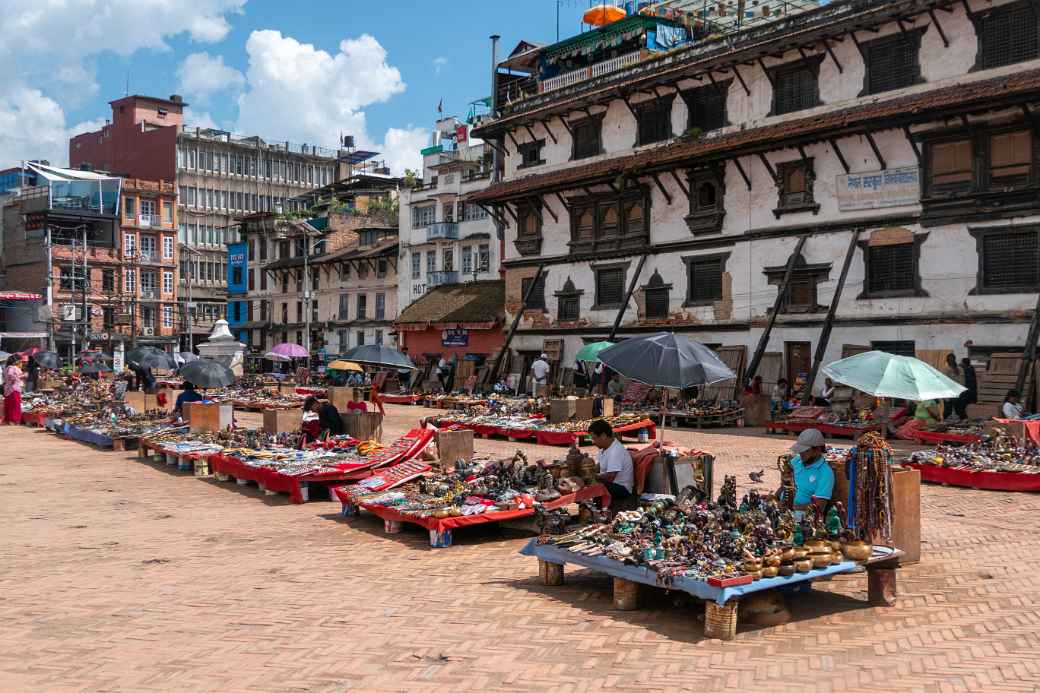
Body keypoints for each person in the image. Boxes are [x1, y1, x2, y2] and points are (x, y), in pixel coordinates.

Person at [786, 428, 834, 518]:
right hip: (785, 508)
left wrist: (792, 507)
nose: (801, 453)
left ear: (818, 450)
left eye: (806, 451)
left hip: (801, 514)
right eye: (800, 450)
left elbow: (819, 506)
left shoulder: (825, 473)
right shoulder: (796, 461)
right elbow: (785, 484)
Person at [589, 419, 633, 506]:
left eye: (594, 438)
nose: (593, 442)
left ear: (603, 436)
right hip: (611, 484)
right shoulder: (604, 448)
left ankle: (597, 511)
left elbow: (610, 477)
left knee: (594, 487)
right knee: (588, 484)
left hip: (622, 488)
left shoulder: (615, 450)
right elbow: (598, 467)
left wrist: (592, 476)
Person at [4, 355, 25, 424]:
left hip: (9, 389)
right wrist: (22, 376)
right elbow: (11, 376)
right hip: (14, 389)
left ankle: (10, 420)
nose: (20, 362)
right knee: (15, 405)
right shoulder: (12, 368)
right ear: (16, 361)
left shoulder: (7, 367)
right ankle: (15, 420)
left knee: (10, 405)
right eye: (20, 361)